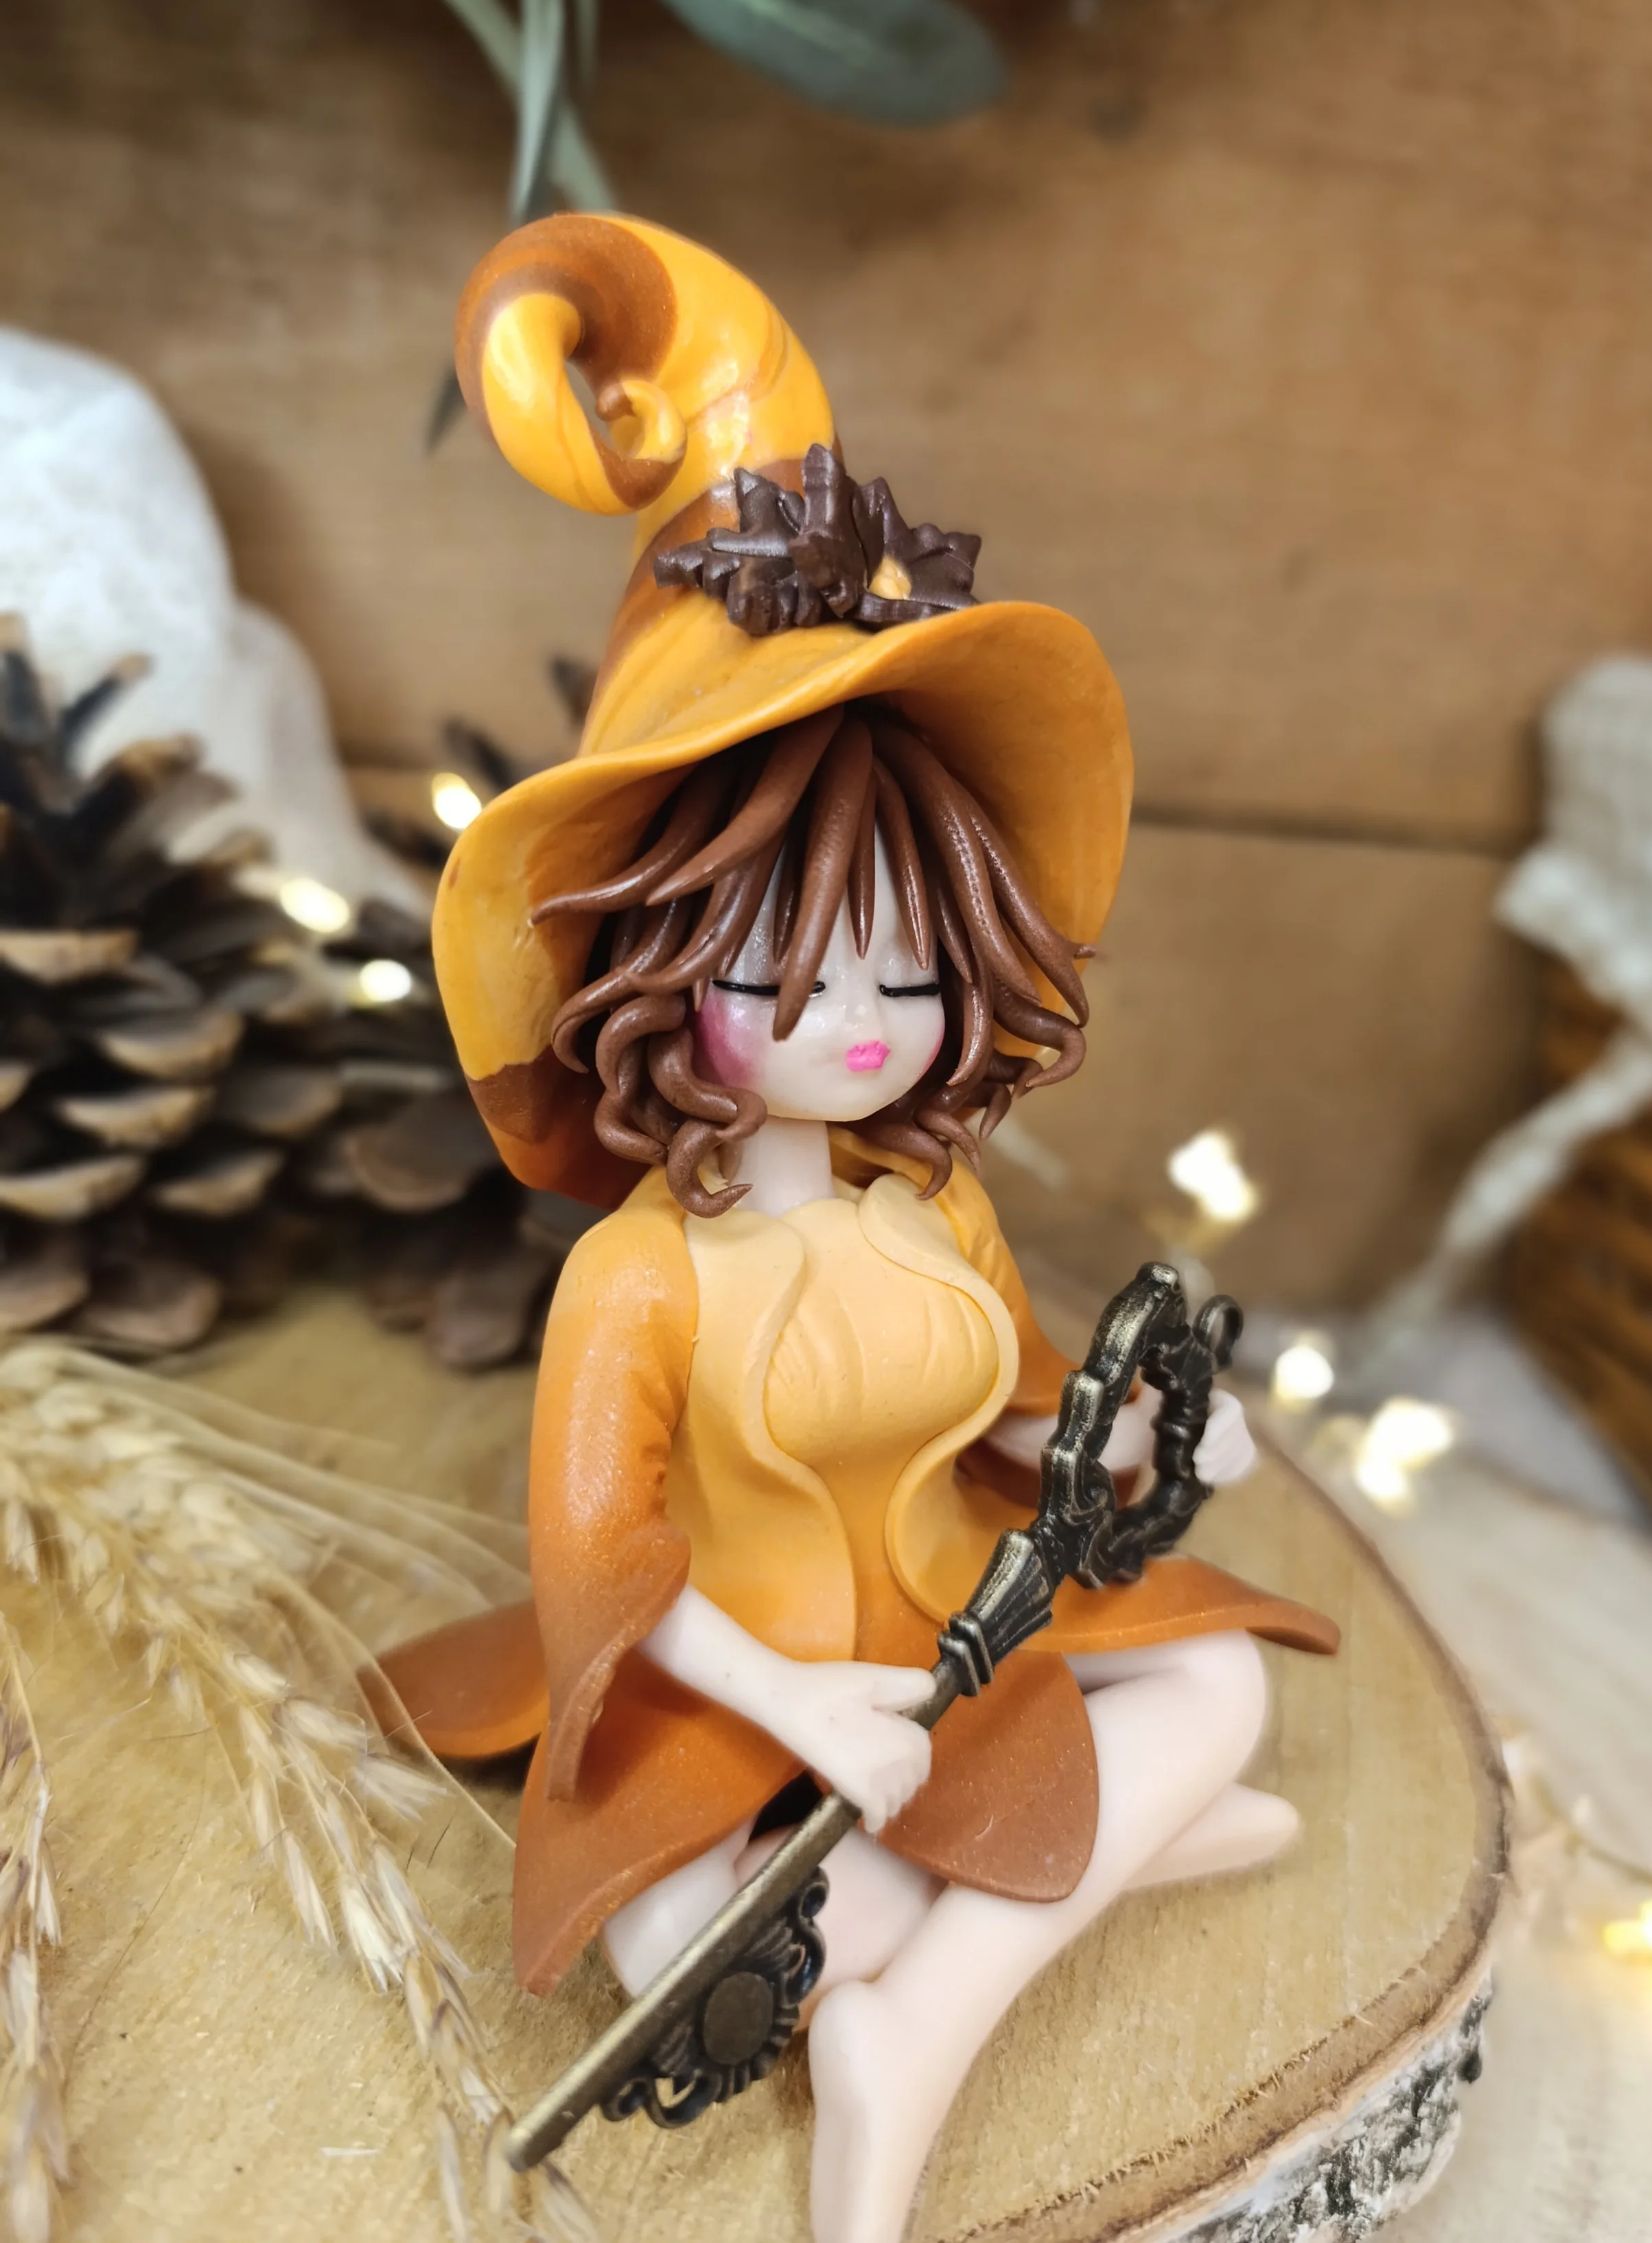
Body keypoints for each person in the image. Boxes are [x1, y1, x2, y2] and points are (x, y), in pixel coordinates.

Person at [379, 215, 1337, 2243]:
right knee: (677, 1954)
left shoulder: (936, 1203)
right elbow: (602, 1560)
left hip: (946, 1625)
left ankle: (924, 2024)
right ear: (658, 975)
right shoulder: (637, 1276)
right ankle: (1059, 1870)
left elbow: (1024, 1410)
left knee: (1223, 1689)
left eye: (908, 973)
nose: (864, 1025)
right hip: (732, 1691)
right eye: (789, 977)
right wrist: (801, 1710)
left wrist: (1145, 1435)